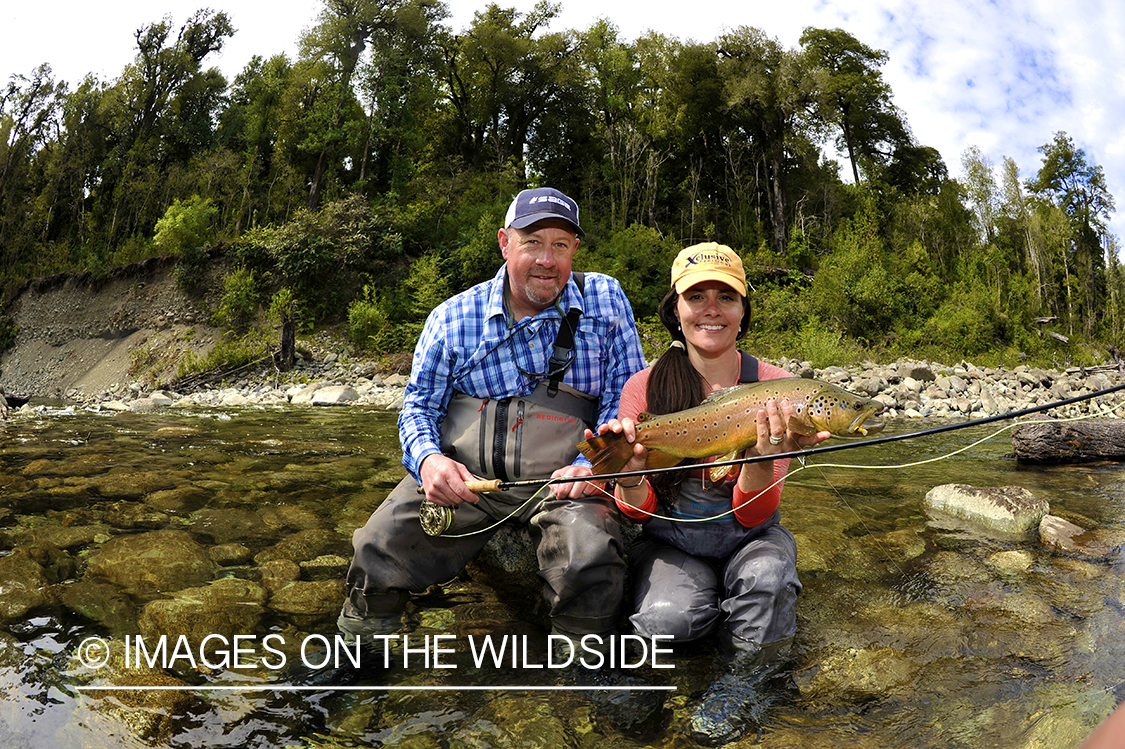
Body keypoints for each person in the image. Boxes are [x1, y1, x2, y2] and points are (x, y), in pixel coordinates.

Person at [339, 187, 647, 660]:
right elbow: (418, 407)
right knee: (377, 547)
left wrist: (596, 467)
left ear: (574, 250)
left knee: (590, 559)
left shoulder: (604, 300)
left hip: (562, 484)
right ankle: (359, 657)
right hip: (467, 482)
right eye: (532, 242)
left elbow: (625, 401)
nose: (547, 260)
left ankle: (582, 674)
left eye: (560, 245)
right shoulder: (452, 318)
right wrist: (429, 462)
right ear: (505, 243)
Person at [588, 242, 830, 746]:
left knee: (767, 580)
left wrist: (760, 459)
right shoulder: (644, 388)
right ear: (676, 311)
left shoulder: (779, 389)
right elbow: (637, 514)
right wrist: (628, 476)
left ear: (743, 312)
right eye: (696, 296)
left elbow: (752, 517)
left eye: (727, 297)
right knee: (663, 623)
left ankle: (742, 684)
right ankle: (658, 673)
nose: (711, 309)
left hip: (752, 537)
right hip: (672, 542)